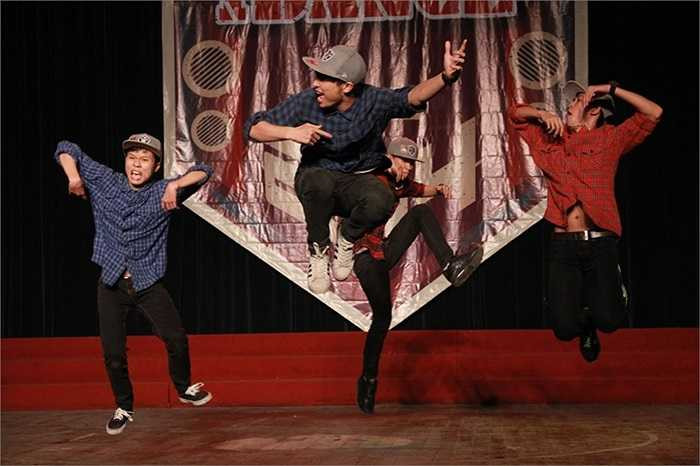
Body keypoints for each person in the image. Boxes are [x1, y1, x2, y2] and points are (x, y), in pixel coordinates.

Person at [244, 41, 468, 294]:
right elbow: (253, 128)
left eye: (324, 78)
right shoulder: (307, 102)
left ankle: (346, 238)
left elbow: (412, 96)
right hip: (318, 176)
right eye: (316, 76)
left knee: (383, 198)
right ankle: (319, 249)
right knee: (318, 182)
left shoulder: (373, 100)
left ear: (347, 86)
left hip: (357, 181)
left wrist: (445, 77)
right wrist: (290, 132)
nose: (315, 83)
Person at [54, 133, 214, 435]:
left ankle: (183, 388)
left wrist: (175, 185)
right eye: (132, 158)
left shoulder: (163, 191)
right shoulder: (106, 181)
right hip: (111, 283)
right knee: (113, 355)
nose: (136, 164)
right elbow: (66, 148)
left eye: (144, 159)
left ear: (155, 166)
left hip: (147, 282)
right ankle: (124, 407)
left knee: (176, 339)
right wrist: (74, 177)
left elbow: (205, 170)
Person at [508, 81, 662, 362]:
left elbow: (653, 112)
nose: (568, 106)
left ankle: (609, 299)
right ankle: (584, 323)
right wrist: (541, 114)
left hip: (600, 243)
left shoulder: (610, 139)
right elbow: (514, 113)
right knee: (564, 329)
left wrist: (610, 89)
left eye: (576, 101)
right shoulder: (551, 138)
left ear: (594, 111)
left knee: (610, 321)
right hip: (563, 245)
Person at [353, 137, 484, 414]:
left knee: (421, 212)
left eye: (412, 163)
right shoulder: (370, 181)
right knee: (382, 318)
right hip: (364, 257)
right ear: (389, 158)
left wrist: (439, 189)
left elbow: (417, 189)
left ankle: (450, 266)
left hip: (383, 251)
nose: (409, 168)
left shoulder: (397, 183)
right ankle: (368, 379)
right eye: (404, 162)